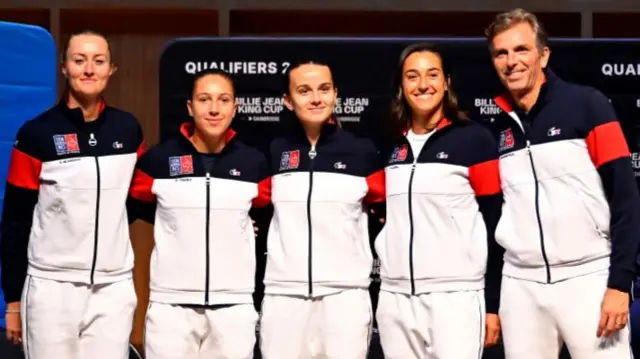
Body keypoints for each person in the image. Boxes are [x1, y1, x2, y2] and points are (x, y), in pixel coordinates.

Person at [485, 8, 640, 359]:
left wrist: (619, 284)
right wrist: (493, 301)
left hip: (588, 277)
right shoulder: (498, 128)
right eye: (501, 53)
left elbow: (626, 199)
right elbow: (495, 217)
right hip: (521, 284)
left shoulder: (587, 105)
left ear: (544, 54)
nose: (512, 61)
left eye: (522, 49)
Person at [0, 30, 144, 358]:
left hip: (113, 286)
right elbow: (15, 221)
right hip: (52, 288)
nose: (89, 69)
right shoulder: (37, 133)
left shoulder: (128, 129)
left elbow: (134, 200)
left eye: (98, 61)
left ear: (111, 69)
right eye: (79, 61)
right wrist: (12, 300)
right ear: (64, 68)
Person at [127, 68, 270, 359]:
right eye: (204, 99)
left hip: (234, 308)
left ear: (235, 108)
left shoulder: (254, 163)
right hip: (171, 307)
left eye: (223, 100)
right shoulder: (158, 161)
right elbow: (132, 208)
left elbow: (267, 216)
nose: (214, 109)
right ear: (190, 107)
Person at [373, 43, 503, 359]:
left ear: (446, 82)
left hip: (456, 296)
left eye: (432, 75)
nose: (423, 85)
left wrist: (493, 303)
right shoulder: (390, 142)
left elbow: (495, 223)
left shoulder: (475, 140)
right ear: (401, 87)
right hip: (396, 296)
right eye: (412, 76)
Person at [258, 60, 385, 359]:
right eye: (304, 91)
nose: (316, 98)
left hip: (346, 296)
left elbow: (385, 213)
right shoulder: (274, 151)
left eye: (324, 89)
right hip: (284, 295)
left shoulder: (362, 151)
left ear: (335, 94)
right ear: (288, 101)